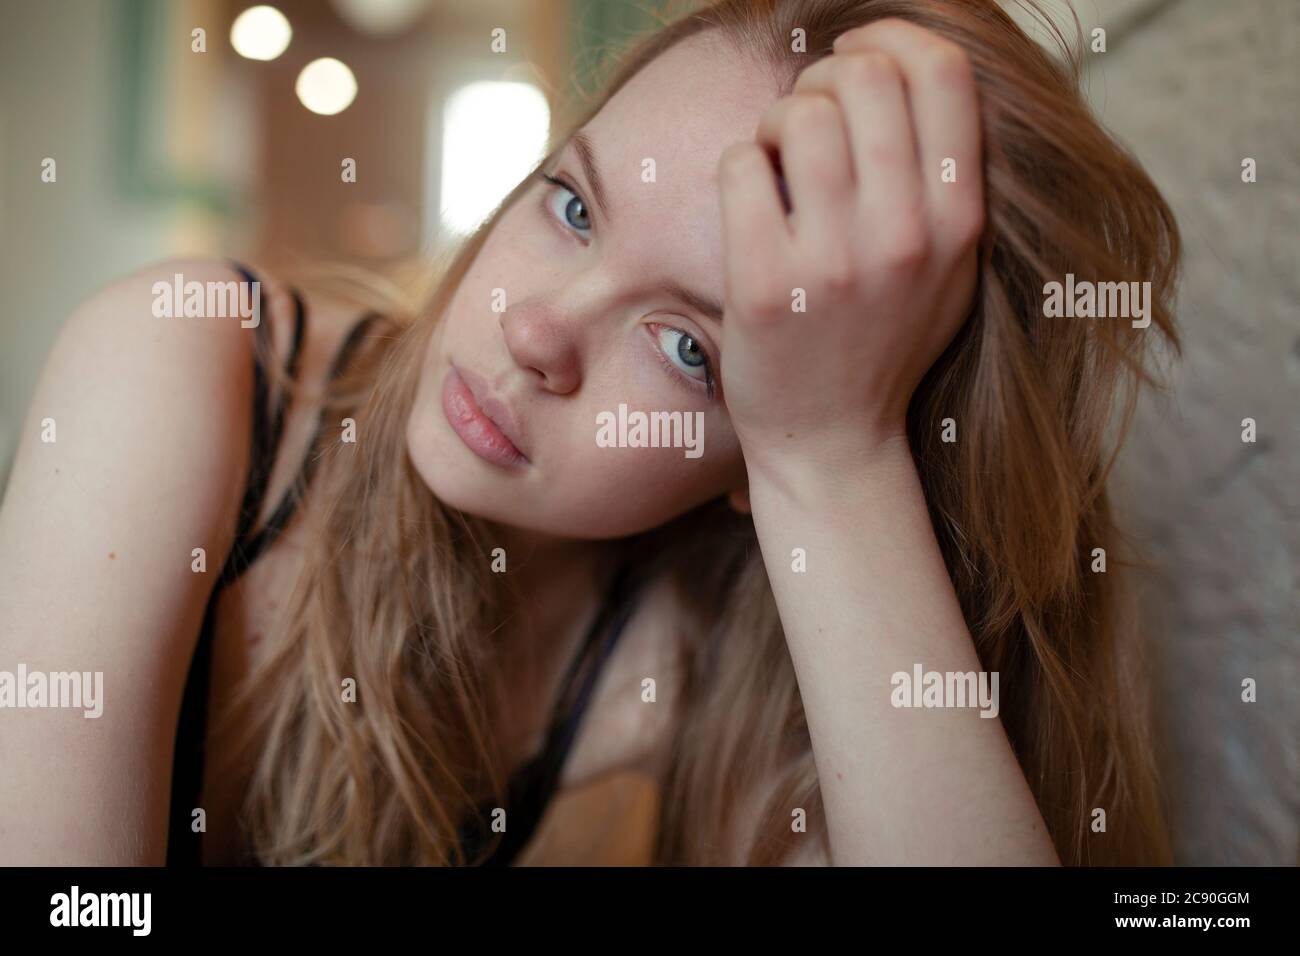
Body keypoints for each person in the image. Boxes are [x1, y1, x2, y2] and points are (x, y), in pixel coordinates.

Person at [0, 0, 1179, 866]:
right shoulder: (192, 357)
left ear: (757, 461)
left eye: (688, 350)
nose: (534, 328)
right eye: (571, 206)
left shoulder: (678, 667)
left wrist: (835, 462)